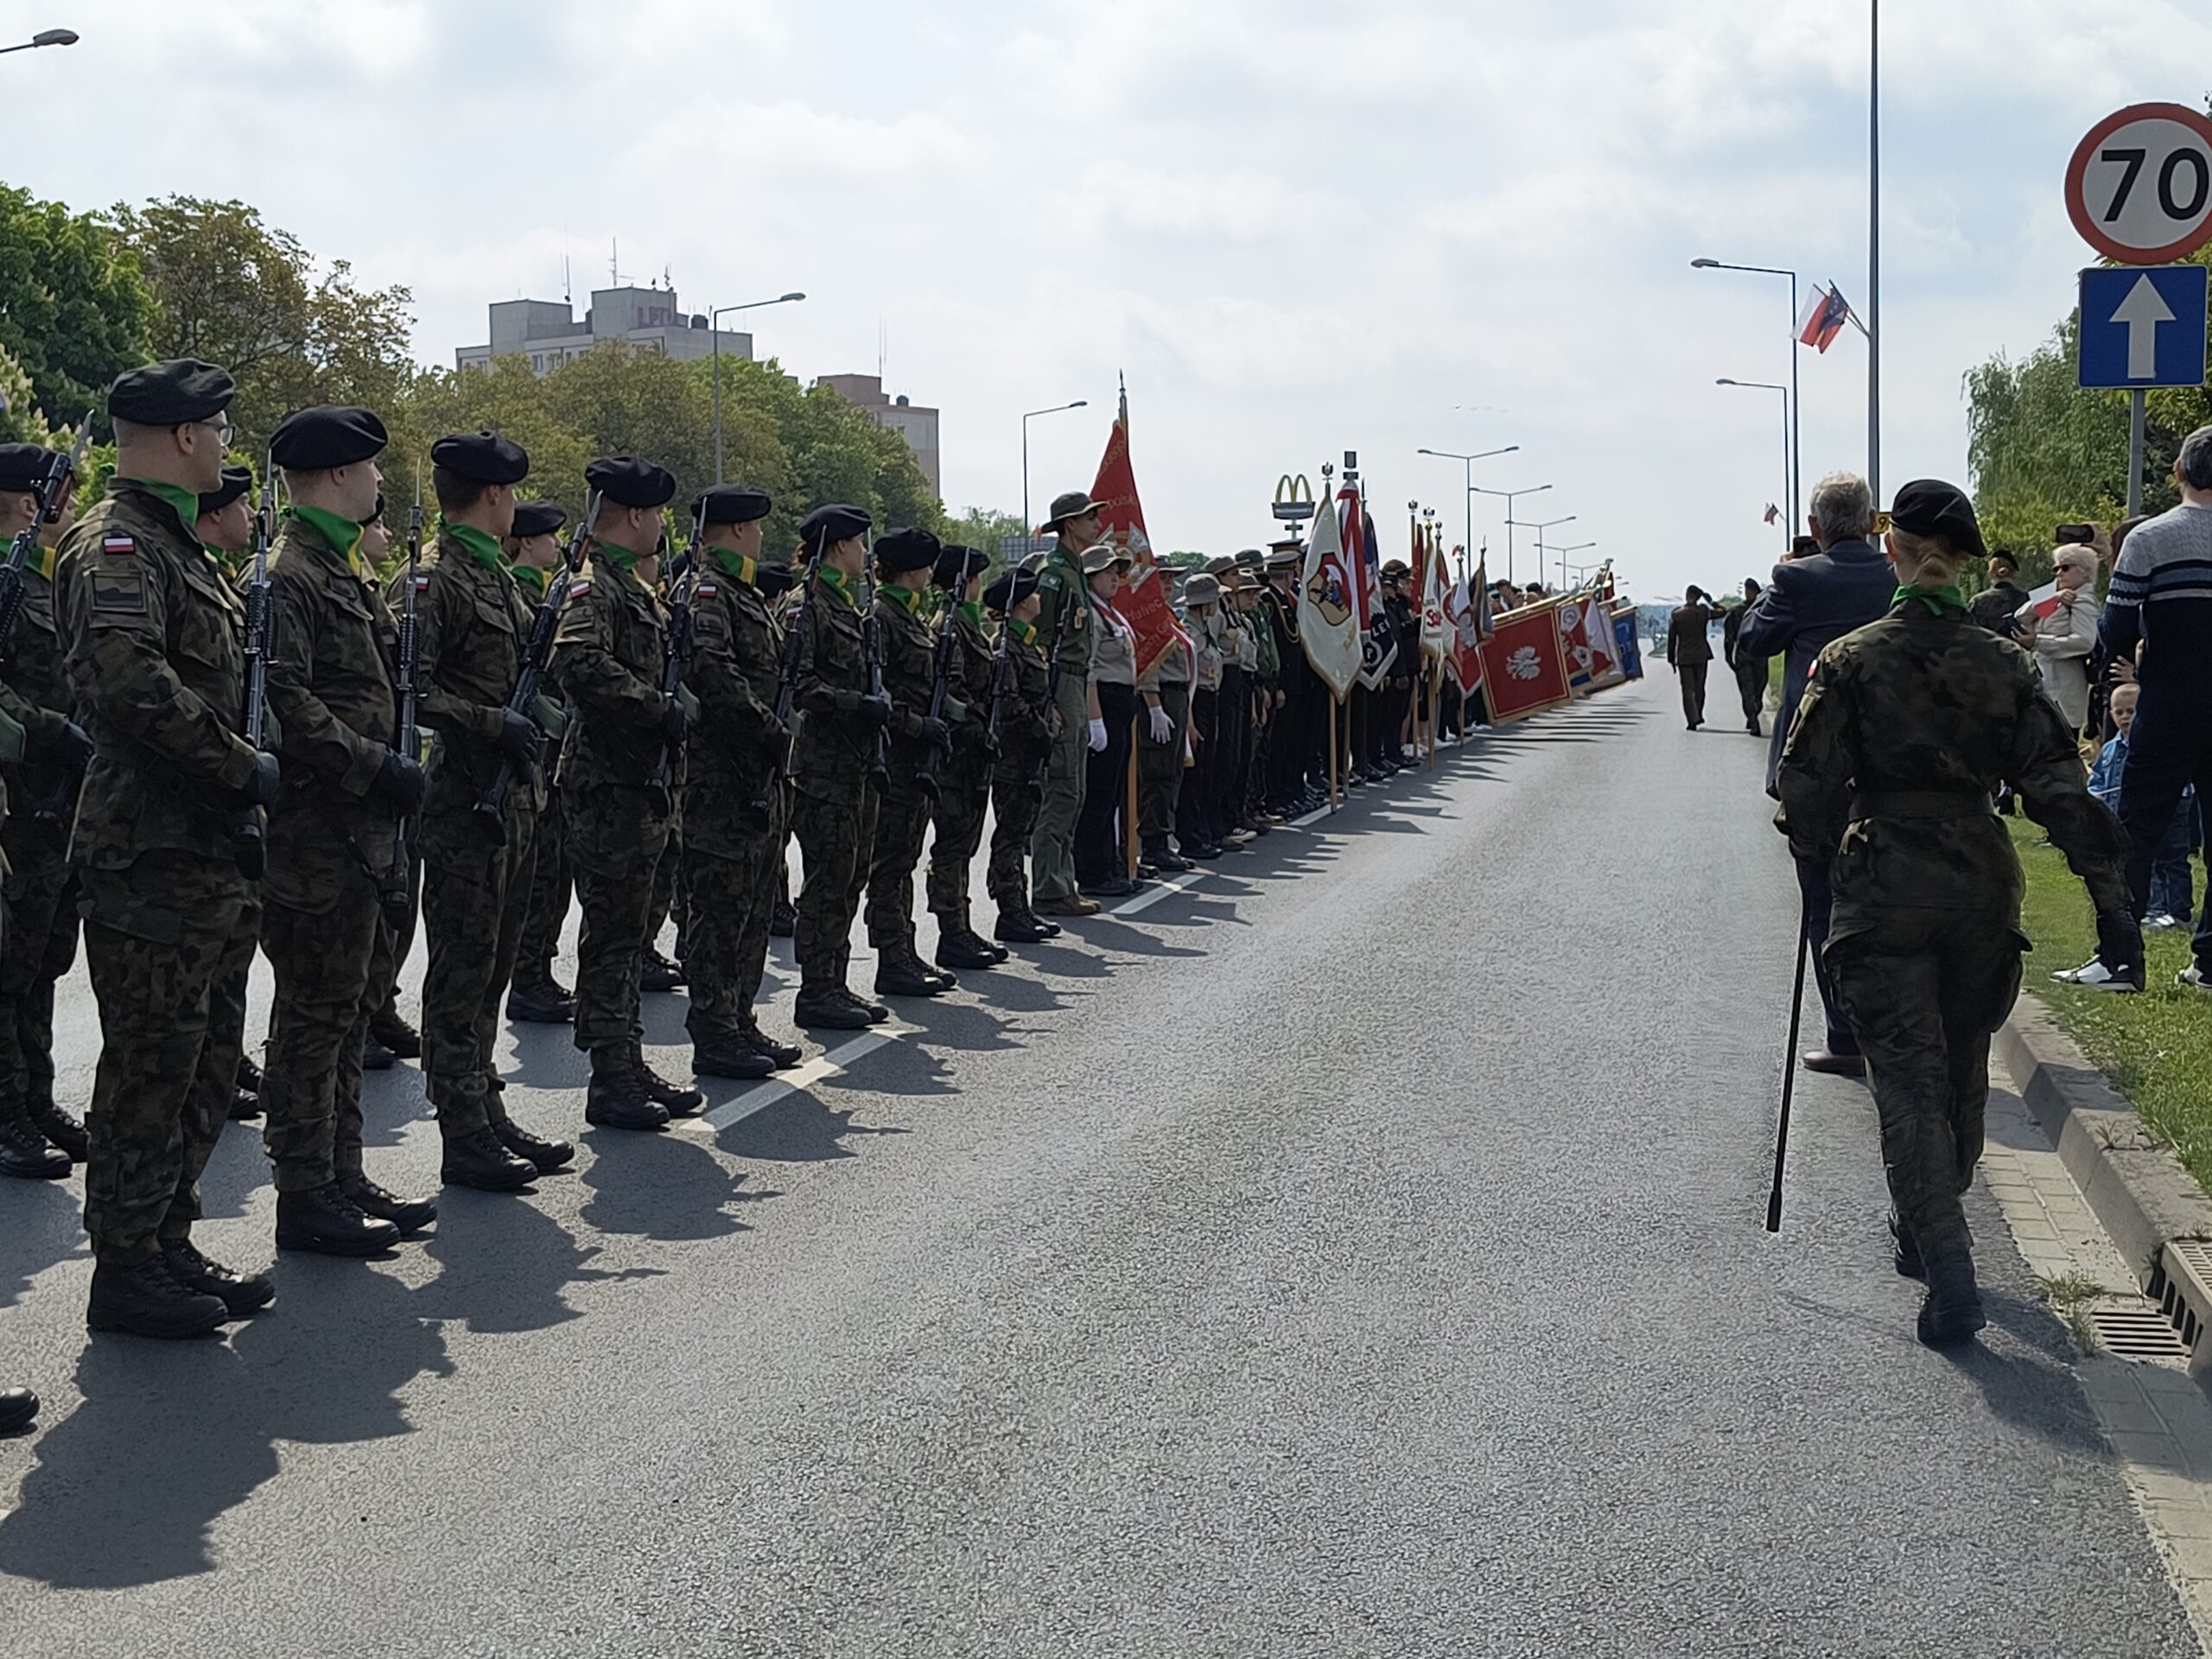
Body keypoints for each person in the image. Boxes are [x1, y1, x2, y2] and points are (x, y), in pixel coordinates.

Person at [1776, 479, 2139, 1346]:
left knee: (1905, 1076)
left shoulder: (1851, 659)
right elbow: (2061, 790)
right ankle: (1935, 1224)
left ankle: (1945, 1259)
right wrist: (2112, 908)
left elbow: (1803, 785)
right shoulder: (2005, 664)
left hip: (1883, 882)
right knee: (1963, 1061)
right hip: (1979, 880)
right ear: (1967, 562)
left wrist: (1818, 846)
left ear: (1891, 551)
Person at [56, 359, 273, 1337]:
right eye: (219, 429)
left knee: (204, 1058)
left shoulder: (176, 545)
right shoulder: (117, 543)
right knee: (150, 1063)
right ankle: (125, 1266)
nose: (225, 445)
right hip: (147, 853)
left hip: (203, 848)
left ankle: (166, 1237)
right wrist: (241, 766)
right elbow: (126, 685)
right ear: (184, 436)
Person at [256, 405, 435, 1255]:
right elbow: (285, 702)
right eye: (368, 468)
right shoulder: (289, 573)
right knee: (312, 1017)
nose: (378, 480)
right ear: (335, 475)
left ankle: (342, 1170)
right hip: (315, 833)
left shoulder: (341, 567)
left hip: (359, 831)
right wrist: (374, 765)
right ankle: (304, 1191)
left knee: (350, 1009)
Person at [410, 431, 570, 1191]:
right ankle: (461, 1129)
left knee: (494, 970)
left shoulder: (496, 577)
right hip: (464, 805)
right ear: (496, 495)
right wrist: (488, 722)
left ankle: (485, 1106)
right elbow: (412, 693)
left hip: (514, 804)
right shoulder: (434, 579)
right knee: (461, 973)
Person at [552, 455, 702, 1128]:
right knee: (613, 938)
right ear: (636, 516)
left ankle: (628, 1060)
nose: (663, 525)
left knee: (633, 934)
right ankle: (610, 1077)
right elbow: (577, 663)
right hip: (609, 787)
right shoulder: (596, 586)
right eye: (658, 512)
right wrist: (654, 707)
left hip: (641, 785)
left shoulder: (634, 588)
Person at [1738, 470, 1898, 1076]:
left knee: (1824, 903)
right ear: (1872, 521)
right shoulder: (1896, 574)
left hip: (1816, 766)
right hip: (1890, 758)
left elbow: (1753, 641)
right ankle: (1894, 1027)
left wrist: (1776, 581)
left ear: (1814, 527)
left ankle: (1844, 1036)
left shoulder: (1797, 579)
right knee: (1889, 899)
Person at [679, 483, 804, 1077]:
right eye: (754, 527)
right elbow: (715, 675)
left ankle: (739, 1018)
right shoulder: (707, 593)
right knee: (719, 912)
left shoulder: (743, 594)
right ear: (734, 530)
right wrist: (769, 728)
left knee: (753, 908)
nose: (759, 537)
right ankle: (714, 1031)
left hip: (757, 776)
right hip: (721, 779)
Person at [0, 442, 92, 1178]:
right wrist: (52, 730)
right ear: (33, 504)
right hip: (16, 799)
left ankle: (34, 1095)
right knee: (7, 962)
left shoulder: (51, 577)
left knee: (44, 958)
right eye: (64, 496)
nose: (75, 507)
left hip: (59, 799)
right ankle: (6, 1113)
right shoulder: (6, 581)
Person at [2099, 424, 2212, 992]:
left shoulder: (2150, 537)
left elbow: (2117, 625)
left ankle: (2120, 960)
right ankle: (2209, 963)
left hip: (2169, 701)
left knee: (2135, 832)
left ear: (2179, 473)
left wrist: (2125, 667)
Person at [788, 503, 892, 1028]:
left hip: (854, 765)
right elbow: (799, 685)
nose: (865, 554)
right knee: (827, 881)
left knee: (849, 878)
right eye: (858, 543)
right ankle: (816, 990)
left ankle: (835, 981)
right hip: (821, 768)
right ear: (838, 546)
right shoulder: (807, 604)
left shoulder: (847, 605)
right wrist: (856, 705)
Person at [194, 466, 267, 1123]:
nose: (250, 514)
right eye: (241, 504)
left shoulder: (217, 577)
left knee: (228, 970)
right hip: (170, 820)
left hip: (227, 812)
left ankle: (225, 1060)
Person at [502, 500, 577, 1025]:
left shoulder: (546, 592)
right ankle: (527, 977)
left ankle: (538, 970)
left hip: (548, 759)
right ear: (527, 541)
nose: (557, 545)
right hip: (530, 756)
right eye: (549, 536)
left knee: (552, 874)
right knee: (538, 877)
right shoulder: (523, 593)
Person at [922, 542, 1006, 972]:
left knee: (965, 843)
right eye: (976, 578)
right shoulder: (951, 625)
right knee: (952, 845)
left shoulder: (966, 624)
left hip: (972, 752)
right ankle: (950, 931)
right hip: (957, 754)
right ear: (965, 581)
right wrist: (977, 730)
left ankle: (962, 926)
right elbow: (953, 692)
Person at [1030, 492, 1102, 918]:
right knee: (1061, 787)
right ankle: (1048, 888)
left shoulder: (1074, 571)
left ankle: (1062, 883)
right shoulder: (1054, 574)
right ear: (1069, 524)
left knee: (1075, 789)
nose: (1096, 524)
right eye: (1089, 517)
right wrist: (1047, 699)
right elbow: (1039, 641)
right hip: (1060, 684)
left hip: (1076, 680)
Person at [982, 565, 1058, 944]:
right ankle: (1009, 910)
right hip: (1013, 753)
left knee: (1021, 828)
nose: (1040, 598)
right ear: (1023, 603)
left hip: (1029, 752)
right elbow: (1009, 701)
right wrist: (1040, 729)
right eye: (1035, 594)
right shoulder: (1006, 646)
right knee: (1010, 832)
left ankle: (1020, 907)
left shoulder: (1026, 643)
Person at [2085, 682, 2196, 933]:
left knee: (2172, 860)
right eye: (2119, 712)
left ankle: (2179, 911)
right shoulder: (2110, 749)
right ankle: (2153, 908)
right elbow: (2099, 779)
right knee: (2141, 860)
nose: (2125, 717)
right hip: (2124, 816)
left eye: (2131, 711)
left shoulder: (2158, 742)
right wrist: (2094, 796)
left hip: (2170, 811)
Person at [1077, 546, 1139, 898]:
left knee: (1113, 792)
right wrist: (1095, 719)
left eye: (1117, 572)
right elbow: (1089, 669)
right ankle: (1093, 871)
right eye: (1107, 572)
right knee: (1099, 793)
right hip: (1104, 701)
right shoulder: (1091, 614)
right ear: (1090, 578)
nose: (1115, 578)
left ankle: (1110, 862)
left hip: (1120, 701)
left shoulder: (1110, 612)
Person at [1135, 578, 1192, 874]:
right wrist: (1155, 706)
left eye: (1171, 580)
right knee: (1157, 774)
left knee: (1171, 773)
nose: (1168, 584)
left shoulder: (1167, 614)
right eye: (1162, 580)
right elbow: (1148, 663)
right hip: (1161, 697)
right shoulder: (1148, 617)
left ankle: (1162, 839)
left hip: (1177, 696)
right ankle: (1153, 844)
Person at [2017, 542, 2098, 734]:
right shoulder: (2058, 599)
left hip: (2064, 689)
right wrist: (2052, 597)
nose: (2059, 573)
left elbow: (2085, 641)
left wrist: (2038, 642)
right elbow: (2021, 616)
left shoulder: (2082, 601)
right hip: (2043, 683)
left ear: (2085, 572)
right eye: (2056, 568)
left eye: (2066, 567)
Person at [1177, 572, 1226, 860]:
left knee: (1208, 771)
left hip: (1211, 699)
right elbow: (1188, 682)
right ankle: (1191, 837)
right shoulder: (1190, 633)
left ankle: (1203, 832)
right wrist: (1191, 722)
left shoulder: (1206, 629)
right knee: (1194, 775)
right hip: (1196, 703)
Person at [1664, 586, 1719, 729]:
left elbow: (1672, 639)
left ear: (1687, 595)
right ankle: (1698, 714)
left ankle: (1692, 720)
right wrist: (1712, 602)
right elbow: (1723, 612)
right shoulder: (1703, 611)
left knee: (1687, 690)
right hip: (1701, 655)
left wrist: (1671, 658)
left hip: (1684, 657)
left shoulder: (1677, 614)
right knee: (1699, 687)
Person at [1720, 577, 1770, 736]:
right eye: (1749, 590)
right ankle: (1754, 722)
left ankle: (1753, 712)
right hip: (1744, 655)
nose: (1750, 593)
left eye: (1753, 591)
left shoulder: (1764, 610)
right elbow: (1729, 636)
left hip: (1760, 654)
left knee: (1759, 689)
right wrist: (1728, 655)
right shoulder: (1737, 612)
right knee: (1747, 691)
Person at [1966, 549, 2028, 636]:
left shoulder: (1977, 602)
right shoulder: (2027, 599)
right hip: (2021, 644)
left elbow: (1968, 632)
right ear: (2014, 573)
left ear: (1990, 574)